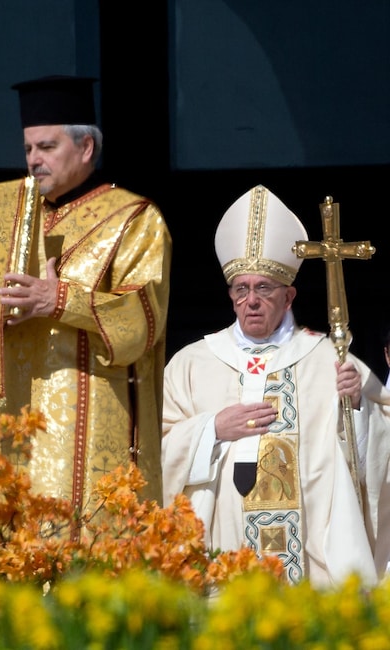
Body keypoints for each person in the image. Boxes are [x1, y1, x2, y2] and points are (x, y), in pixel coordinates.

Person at [0, 75, 172, 512]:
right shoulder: (9, 218)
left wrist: (59, 300)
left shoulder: (134, 218)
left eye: (47, 147)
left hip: (94, 422)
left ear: (86, 148)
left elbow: (141, 321)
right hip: (17, 428)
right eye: (28, 149)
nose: (34, 160)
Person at [161, 184, 390, 587]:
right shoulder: (190, 364)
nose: (251, 300)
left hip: (310, 565)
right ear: (231, 295)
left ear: (288, 297)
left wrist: (358, 407)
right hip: (216, 560)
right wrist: (210, 430)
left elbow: (378, 449)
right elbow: (151, 451)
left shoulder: (328, 359)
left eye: (264, 288)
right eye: (241, 289)